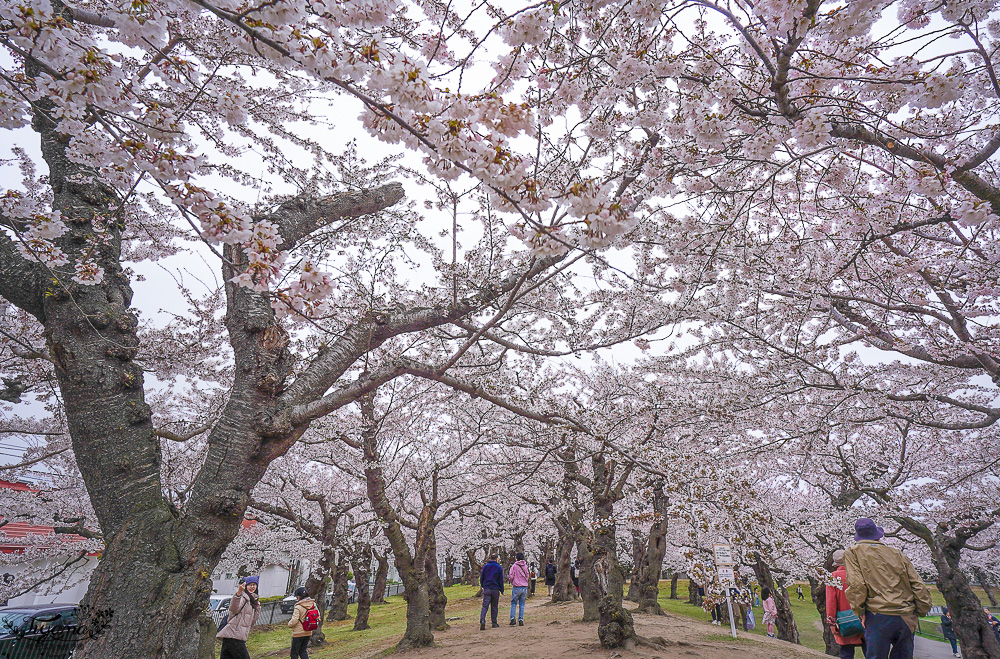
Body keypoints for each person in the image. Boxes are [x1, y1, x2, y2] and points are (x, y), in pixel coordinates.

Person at [844, 518, 932, 659]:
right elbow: (917, 584)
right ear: (878, 535)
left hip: (877, 614)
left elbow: (857, 585)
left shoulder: (853, 552)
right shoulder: (897, 553)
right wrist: (921, 610)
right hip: (905, 615)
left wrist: (859, 611)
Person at [826, 549, 866, 659]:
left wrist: (831, 622)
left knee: (847, 652)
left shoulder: (833, 577)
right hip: (863, 618)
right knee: (870, 651)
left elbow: (831, 602)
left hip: (845, 621)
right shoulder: (860, 575)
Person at [217, 576, 261, 659]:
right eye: (250, 585)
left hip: (234, 637)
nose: (252, 587)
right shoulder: (243, 597)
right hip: (233, 635)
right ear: (245, 586)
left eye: (254, 585)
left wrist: (257, 608)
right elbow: (233, 609)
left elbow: (252, 622)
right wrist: (238, 593)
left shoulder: (253, 601)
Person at [287, 586, 316, 659]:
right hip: (308, 631)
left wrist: (289, 624)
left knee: (294, 653)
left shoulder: (298, 607)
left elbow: (294, 620)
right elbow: (318, 616)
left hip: (298, 633)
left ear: (299, 596)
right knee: (303, 651)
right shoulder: (313, 604)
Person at [480, 554, 504, 630]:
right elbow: (501, 580)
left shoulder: (486, 566)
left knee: (485, 605)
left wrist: (483, 585)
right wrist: (502, 589)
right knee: (494, 606)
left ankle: (482, 620)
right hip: (495, 589)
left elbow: (482, 577)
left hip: (487, 588)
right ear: (497, 559)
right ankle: (494, 622)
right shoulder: (499, 567)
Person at [509, 552, 530, 625]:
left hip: (516, 586)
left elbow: (511, 576)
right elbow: (527, 575)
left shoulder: (514, 566)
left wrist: (512, 581)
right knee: (522, 604)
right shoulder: (525, 566)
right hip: (524, 587)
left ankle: (512, 619)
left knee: (514, 603)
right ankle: (521, 619)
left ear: (516, 558)